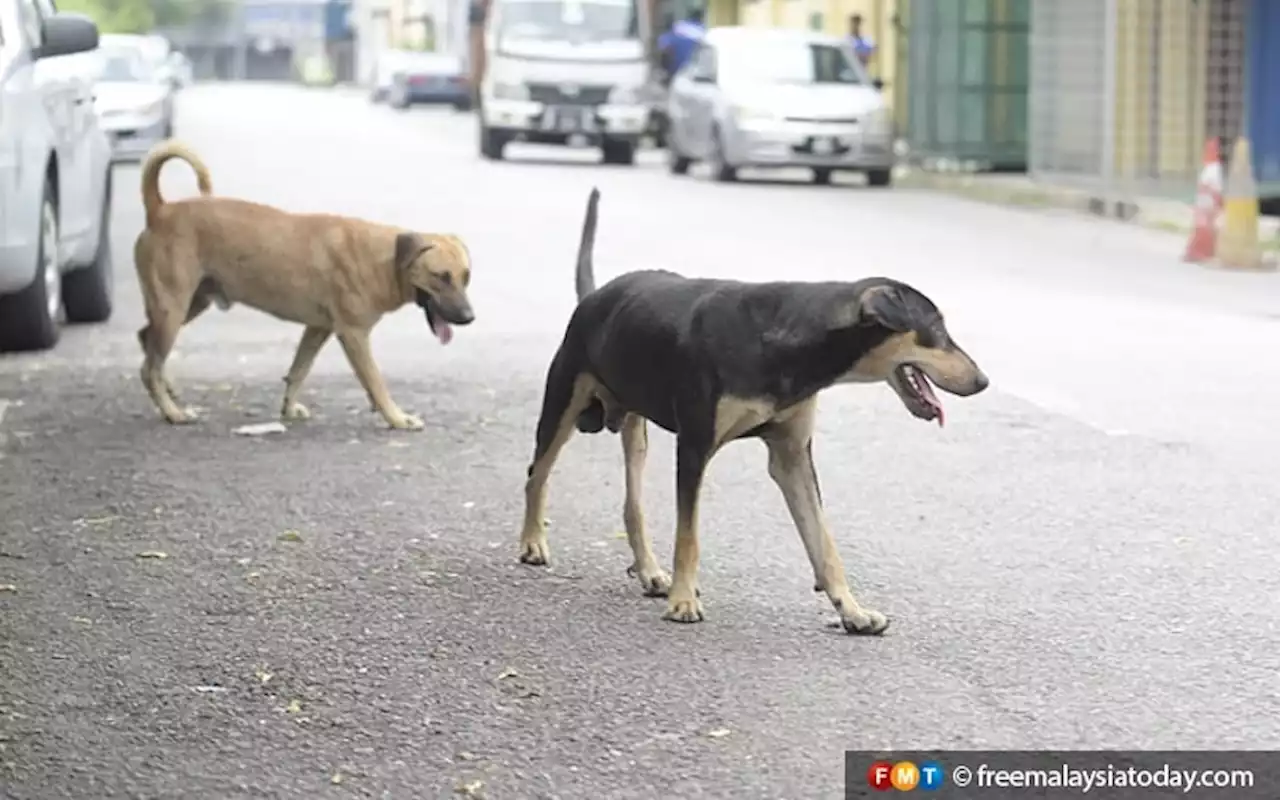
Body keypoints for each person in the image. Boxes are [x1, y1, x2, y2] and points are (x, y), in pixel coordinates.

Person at [658, 8, 706, 79]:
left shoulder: (678, 27)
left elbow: (664, 45)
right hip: (691, 69)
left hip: (676, 68)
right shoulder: (703, 31)